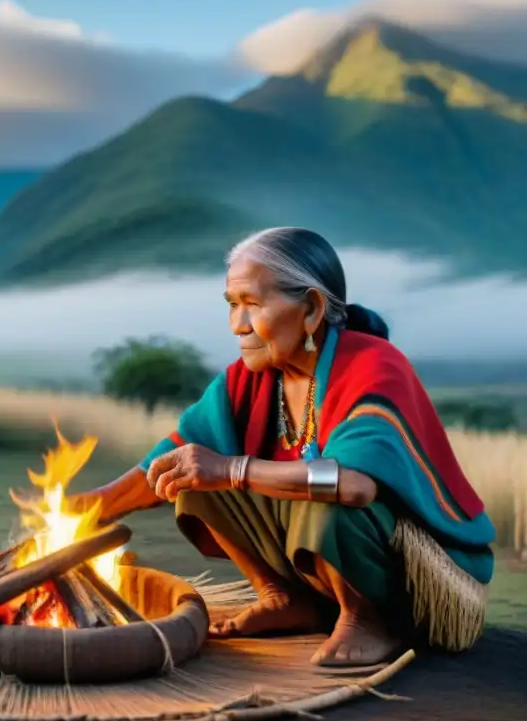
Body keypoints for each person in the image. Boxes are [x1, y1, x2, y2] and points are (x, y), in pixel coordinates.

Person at [74, 227, 495, 668]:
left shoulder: (373, 364)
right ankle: (283, 598)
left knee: (324, 497)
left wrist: (233, 469)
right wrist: (90, 507)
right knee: (192, 479)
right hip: (329, 545)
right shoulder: (250, 378)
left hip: (417, 568)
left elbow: (354, 486)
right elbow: (175, 453)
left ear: (311, 309)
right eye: (232, 305)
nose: (237, 325)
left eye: (252, 304)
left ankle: (368, 618)